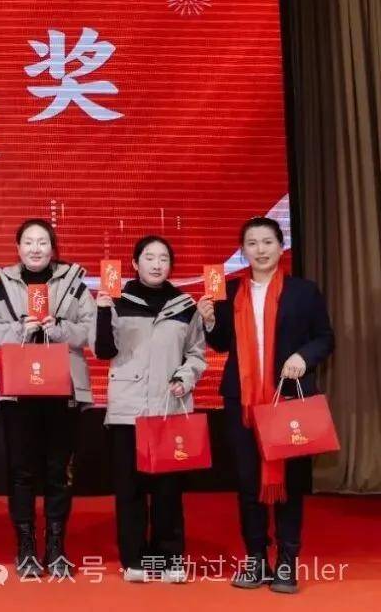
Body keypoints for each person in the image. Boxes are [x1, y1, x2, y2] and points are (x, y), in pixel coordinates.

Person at [198, 217, 334, 594]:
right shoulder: (229, 291)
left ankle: (287, 561)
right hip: (241, 402)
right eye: (252, 243)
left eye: (267, 242)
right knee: (246, 482)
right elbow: (221, 343)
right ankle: (256, 558)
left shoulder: (303, 291)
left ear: (280, 245)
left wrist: (303, 357)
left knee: (289, 483)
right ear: (243, 251)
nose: (260, 250)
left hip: (286, 398)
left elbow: (325, 338)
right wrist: (209, 322)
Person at [0, 218, 95, 577]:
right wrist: (22, 328)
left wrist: (58, 329)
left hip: (64, 389)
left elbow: (91, 330)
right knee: (21, 472)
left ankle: (56, 547)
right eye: (29, 242)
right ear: (18, 248)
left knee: (59, 472)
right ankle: (26, 547)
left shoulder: (75, 284)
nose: (35, 248)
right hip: (19, 393)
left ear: (52, 248)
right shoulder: (2, 287)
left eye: (42, 242)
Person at [92, 236, 206, 583]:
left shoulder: (185, 305)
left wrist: (185, 377)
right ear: (135, 263)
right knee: (131, 490)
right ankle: (135, 559)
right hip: (128, 410)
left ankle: (169, 557)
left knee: (168, 490)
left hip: (169, 407)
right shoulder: (117, 299)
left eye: (163, 259)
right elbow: (103, 350)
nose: (157, 264)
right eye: (149, 257)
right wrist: (102, 310)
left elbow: (196, 354)